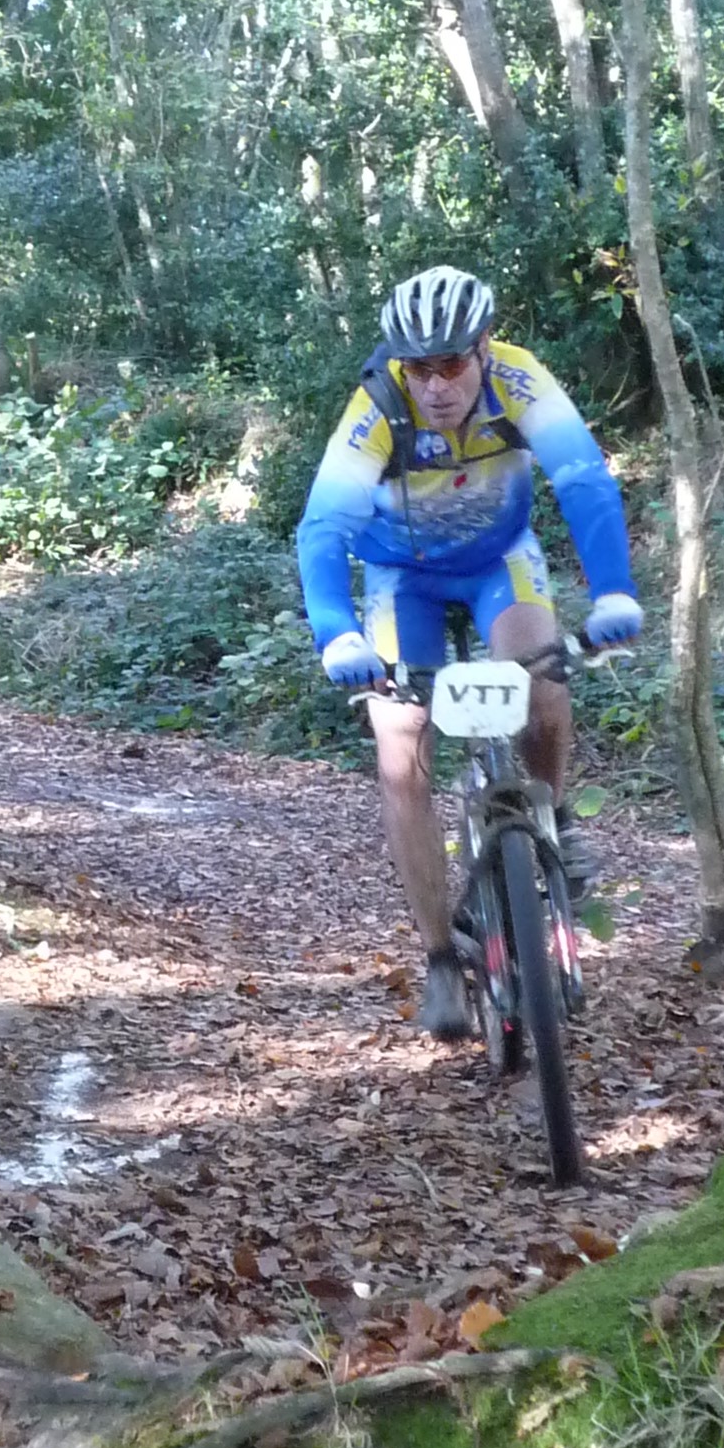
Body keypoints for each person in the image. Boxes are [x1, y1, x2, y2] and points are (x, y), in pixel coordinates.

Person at [296, 265, 643, 1040]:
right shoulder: (376, 406)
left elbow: (583, 479)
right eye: (418, 367)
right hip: (403, 579)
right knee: (401, 749)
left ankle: (551, 820)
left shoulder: (519, 380)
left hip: (497, 562)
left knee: (541, 680)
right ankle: (439, 960)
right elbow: (323, 527)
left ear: (484, 347)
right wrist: (337, 632)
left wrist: (613, 592)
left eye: (450, 363)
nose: (434, 385)